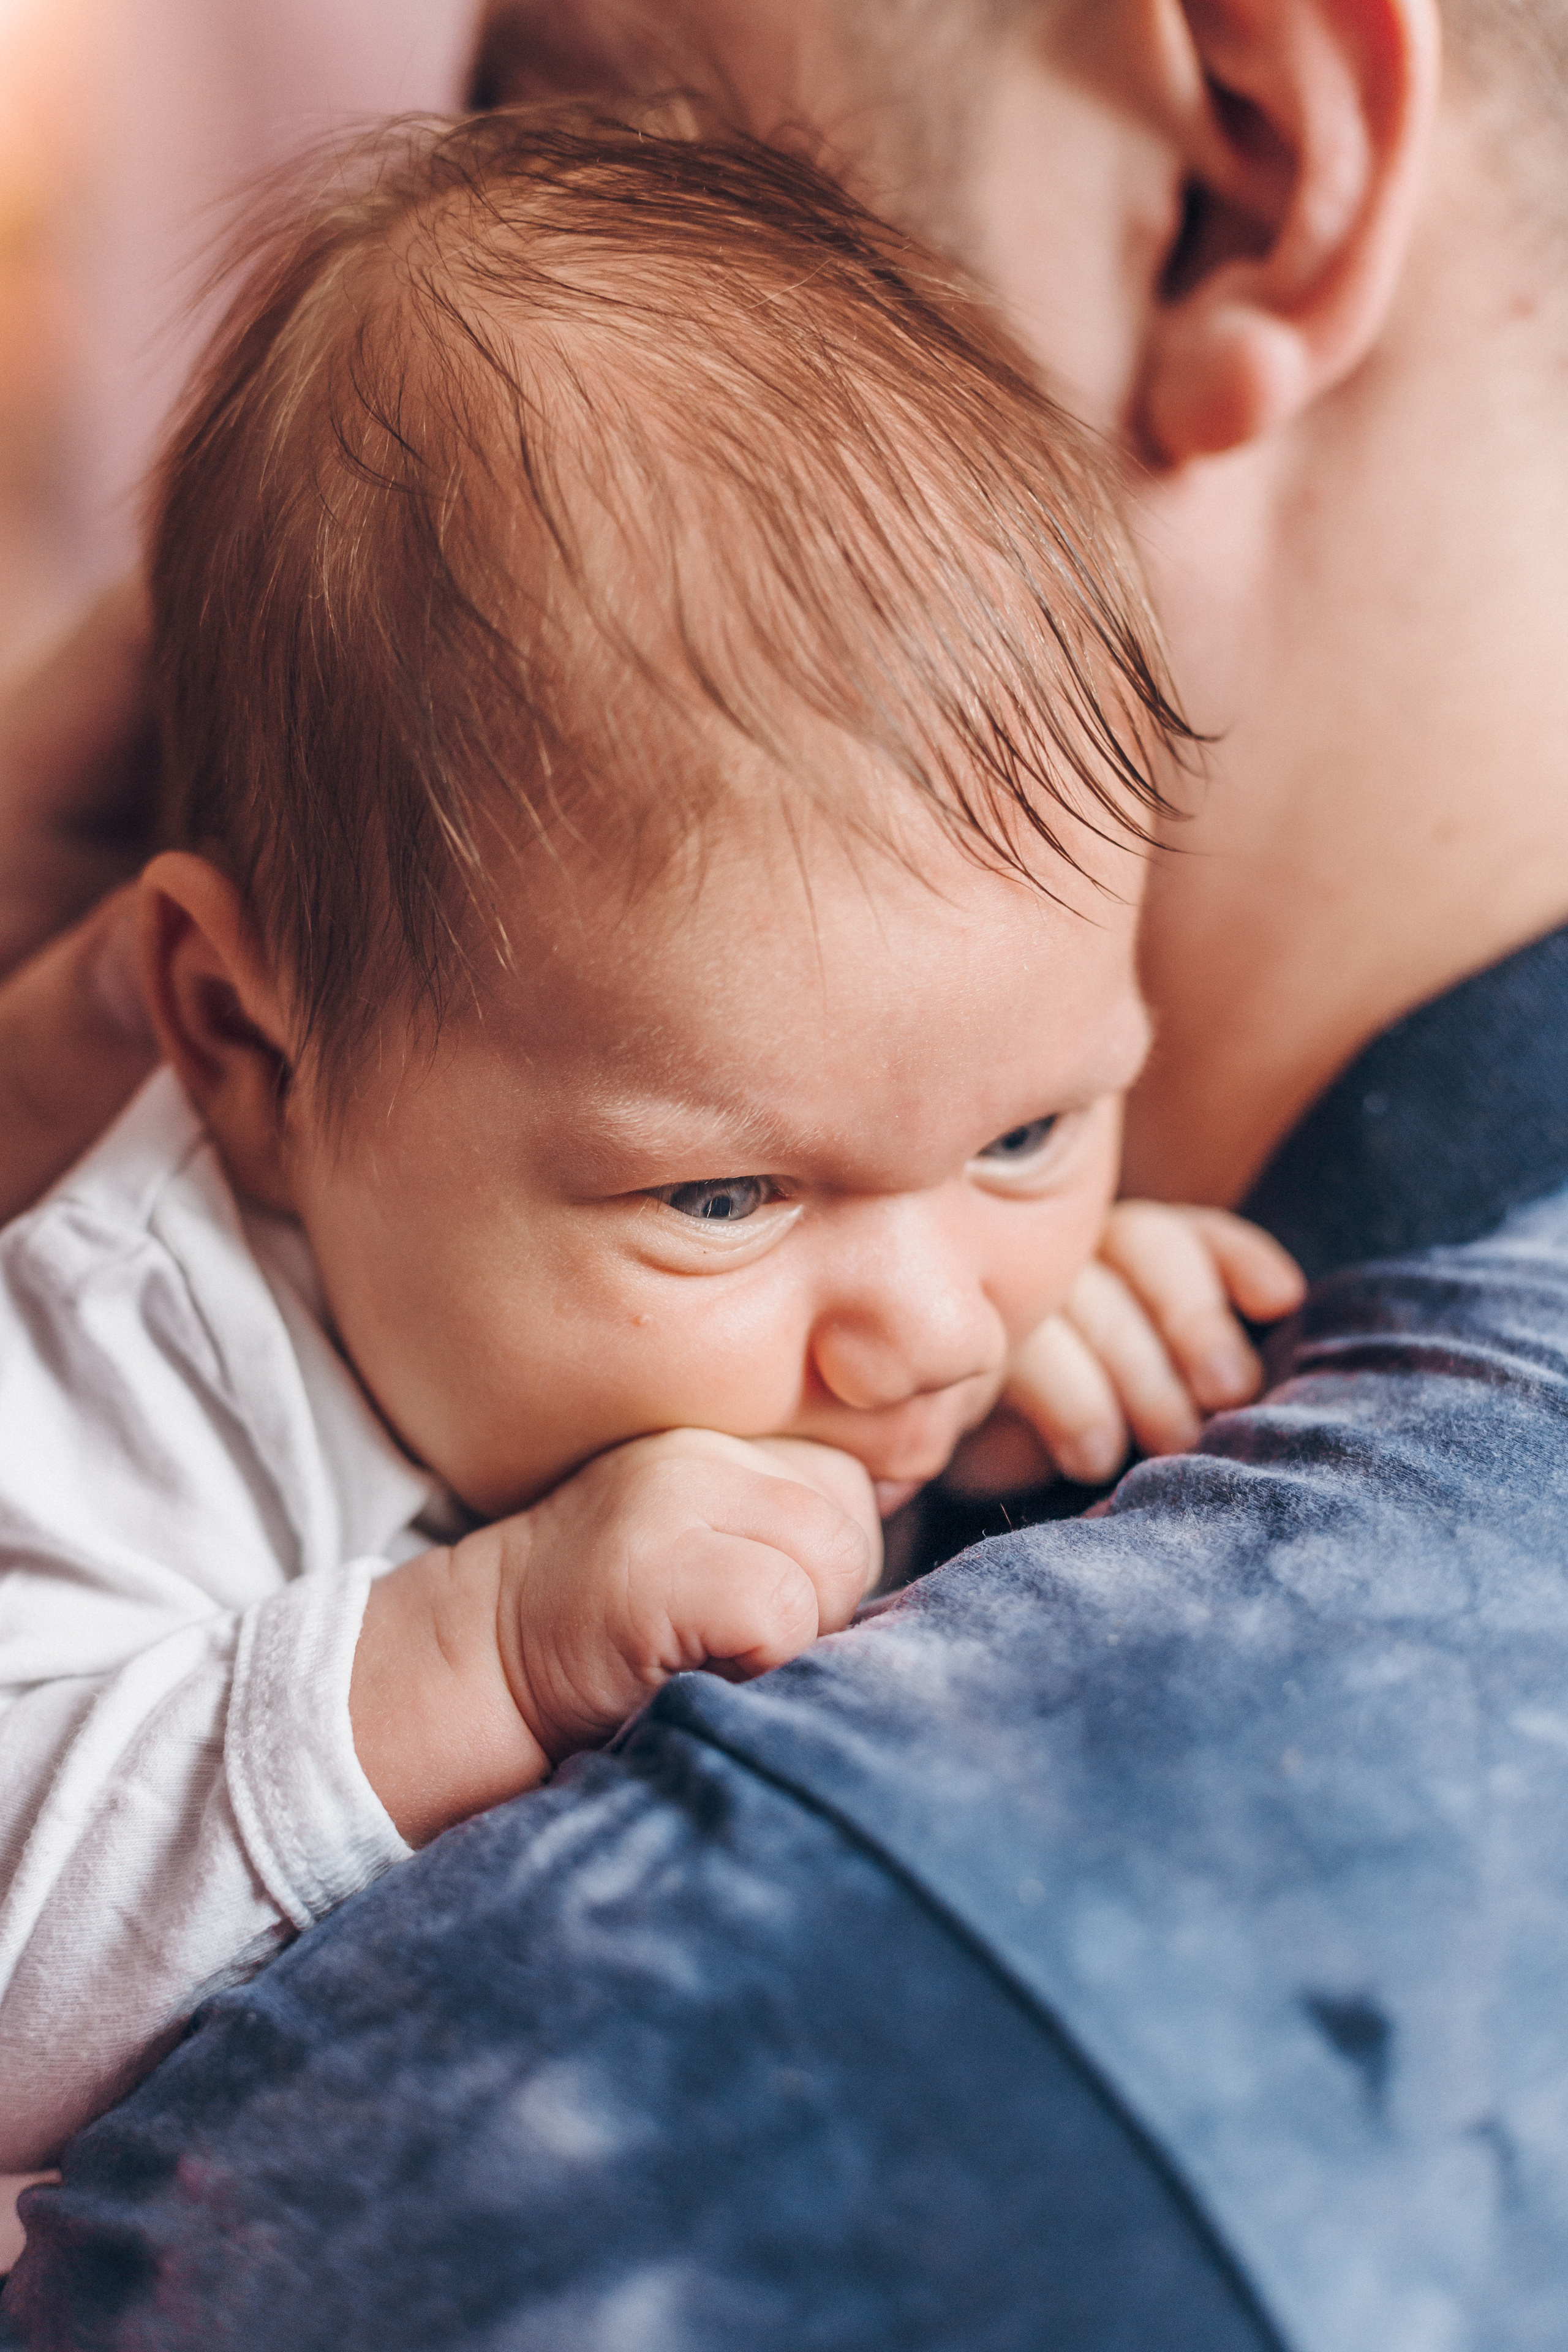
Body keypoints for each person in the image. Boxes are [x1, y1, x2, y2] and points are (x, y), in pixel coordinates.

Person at [6, 0, 1568, 2345]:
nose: (938, 1325)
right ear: (240, 1039)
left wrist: (1048, 1296)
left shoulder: (882, 1232)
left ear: (1237, 163)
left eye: (1034, 1131)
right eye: (727, 1197)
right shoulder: (133, 1337)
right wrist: (482, 1647)